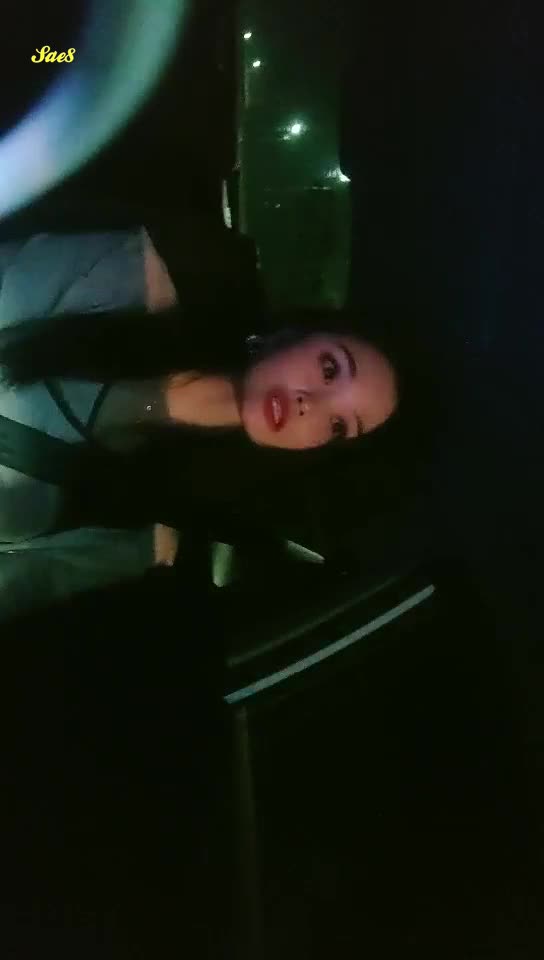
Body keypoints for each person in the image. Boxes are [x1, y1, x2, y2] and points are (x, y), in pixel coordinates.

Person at [0, 227, 405, 621]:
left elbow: (20, 586)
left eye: (337, 426)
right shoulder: (128, 281)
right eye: (330, 369)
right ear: (295, 333)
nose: (310, 405)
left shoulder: (156, 531)